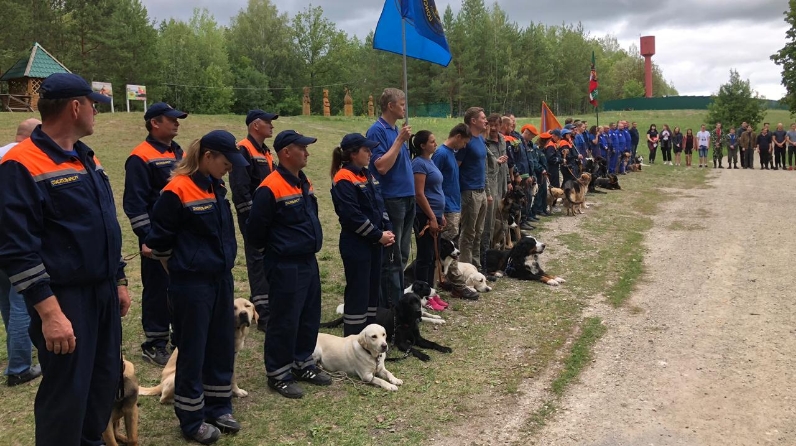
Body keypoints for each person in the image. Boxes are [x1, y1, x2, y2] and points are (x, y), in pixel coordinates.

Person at [0, 72, 129, 445]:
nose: (95, 112)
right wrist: (50, 313)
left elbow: (104, 224)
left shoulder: (87, 156)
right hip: (65, 299)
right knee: (66, 397)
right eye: (92, 105)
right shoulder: (20, 164)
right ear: (75, 107)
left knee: (103, 382)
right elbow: (16, 248)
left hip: (102, 292)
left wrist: (119, 279)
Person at [145, 130, 245, 444]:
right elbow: (159, 242)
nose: (230, 167)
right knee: (193, 351)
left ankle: (219, 407)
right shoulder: (176, 190)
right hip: (191, 285)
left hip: (221, 279)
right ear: (207, 156)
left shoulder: (216, 187)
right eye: (226, 162)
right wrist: (181, 269)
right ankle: (192, 420)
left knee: (220, 344)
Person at [248, 130, 331, 399]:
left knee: (308, 315)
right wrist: (278, 251)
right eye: (301, 148)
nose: (307, 153)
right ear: (286, 152)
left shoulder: (303, 181)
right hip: (285, 264)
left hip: (307, 260)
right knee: (285, 319)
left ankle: (302, 362)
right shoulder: (270, 187)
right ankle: (278, 373)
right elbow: (255, 232)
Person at [123, 101, 187, 366]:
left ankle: (177, 336)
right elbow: (134, 203)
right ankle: (154, 343)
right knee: (157, 289)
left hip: (179, 235)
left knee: (178, 287)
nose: (177, 123)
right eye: (171, 119)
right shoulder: (140, 156)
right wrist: (148, 237)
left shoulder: (178, 151)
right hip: (156, 237)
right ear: (155, 123)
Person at [330, 133, 395, 336]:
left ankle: (369, 337)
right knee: (358, 292)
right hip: (357, 244)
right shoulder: (343, 178)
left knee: (371, 292)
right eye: (366, 150)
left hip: (374, 243)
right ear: (352, 153)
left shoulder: (367, 174)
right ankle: (353, 337)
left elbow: (380, 205)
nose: (370, 153)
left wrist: (387, 229)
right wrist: (378, 235)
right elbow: (352, 216)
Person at [0, 118, 42, 387]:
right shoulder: (25, 159)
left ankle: (18, 351)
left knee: (6, 300)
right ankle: (19, 367)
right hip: (14, 241)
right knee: (22, 303)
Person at [229, 109, 278, 332]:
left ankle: (266, 308)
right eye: (268, 122)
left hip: (268, 218)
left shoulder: (265, 151)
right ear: (255, 125)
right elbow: (240, 189)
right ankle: (264, 317)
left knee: (267, 262)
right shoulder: (243, 149)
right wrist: (253, 219)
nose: (272, 126)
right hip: (254, 220)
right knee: (257, 263)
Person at [366, 88, 413, 308]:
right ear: (390, 106)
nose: (404, 108)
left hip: (407, 197)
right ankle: (390, 305)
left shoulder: (396, 130)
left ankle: (398, 297)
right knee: (392, 256)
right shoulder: (377, 131)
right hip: (392, 198)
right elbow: (381, 166)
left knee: (402, 253)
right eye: (402, 104)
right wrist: (400, 141)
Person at [431, 124, 479, 301]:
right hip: (446, 207)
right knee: (449, 250)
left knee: (451, 246)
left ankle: (445, 280)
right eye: (464, 142)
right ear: (458, 137)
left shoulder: (451, 153)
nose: (464, 146)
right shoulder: (441, 154)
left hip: (454, 204)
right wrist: (440, 210)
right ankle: (458, 285)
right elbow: (433, 182)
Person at [410, 131, 448, 289]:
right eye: (432, 141)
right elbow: (419, 193)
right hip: (424, 216)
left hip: (435, 214)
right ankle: (421, 291)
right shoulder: (419, 164)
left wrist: (440, 215)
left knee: (433, 255)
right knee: (425, 256)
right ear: (422, 145)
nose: (435, 144)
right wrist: (432, 217)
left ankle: (430, 290)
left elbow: (436, 189)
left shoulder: (430, 161)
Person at [457, 107, 489, 270]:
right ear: (473, 121)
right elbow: (456, 166)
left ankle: (476, 266)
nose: (486, 120)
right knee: (468, 232)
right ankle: (466, 268)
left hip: (481, 191)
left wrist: (487, 192)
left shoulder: (481, 139)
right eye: (483, 118)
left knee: (479, 231)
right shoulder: (466, 142)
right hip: (469, 191)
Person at [482, 113, 508, 264]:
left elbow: (505, 163)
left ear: (500, 126)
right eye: (490, 125)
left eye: (496, 125)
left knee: (499, 219)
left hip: (501, 184)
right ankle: (486, 253)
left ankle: (496, 247)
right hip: (490, 186)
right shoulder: (484, 142)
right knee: (488, 222)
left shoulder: (502, 139)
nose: (492, 128)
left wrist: (508, 180)